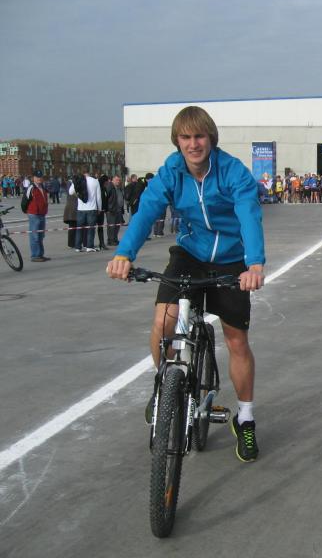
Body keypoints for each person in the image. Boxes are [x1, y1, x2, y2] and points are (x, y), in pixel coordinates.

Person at [106, 105, 265, 463]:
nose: (193, 144)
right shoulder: (171, 171)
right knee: (163, 321)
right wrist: (124, 254)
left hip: (231, 259)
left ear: (211, 138)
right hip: (190, 255)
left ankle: (246, 418)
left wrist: (254, 264)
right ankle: (164, 387)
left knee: (237, 340)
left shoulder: (232, 171)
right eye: (185, 137)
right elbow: (147, 210)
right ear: (177, 141)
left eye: (199, 136)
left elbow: (249, 214)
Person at [70, 170, 102, 252]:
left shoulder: (78, 180)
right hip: (92, 208)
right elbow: (98, 197)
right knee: (91, 229)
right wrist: (99, 208)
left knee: (79, 228)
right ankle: (89, 246)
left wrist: (78, 195)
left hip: (81, 208)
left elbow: (70, 192)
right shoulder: (95, 181)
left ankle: (78, 247)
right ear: (89, 172)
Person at [24, 170, 50, 262]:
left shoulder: (43, 187)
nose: (39, 178)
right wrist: (28, 211)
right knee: (34, 236)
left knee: (41, 235)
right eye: (37, 177)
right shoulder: (31, 187)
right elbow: (24, 201)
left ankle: (40, 254)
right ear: (33, 178)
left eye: (40, 177)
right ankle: (35, 256)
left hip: (42, 214)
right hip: (34, 214)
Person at [106, 175, 125, 246]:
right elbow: (106, 198)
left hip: (118, 210)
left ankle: (115, 239)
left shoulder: (118, 188)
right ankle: (110, 240)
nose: (118, 181)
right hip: (111, 210)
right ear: (113, 180)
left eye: (119, 180)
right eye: (117, 180)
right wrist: (108, 208)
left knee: (117, 226)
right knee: (112, 226)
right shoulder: (109, 187)